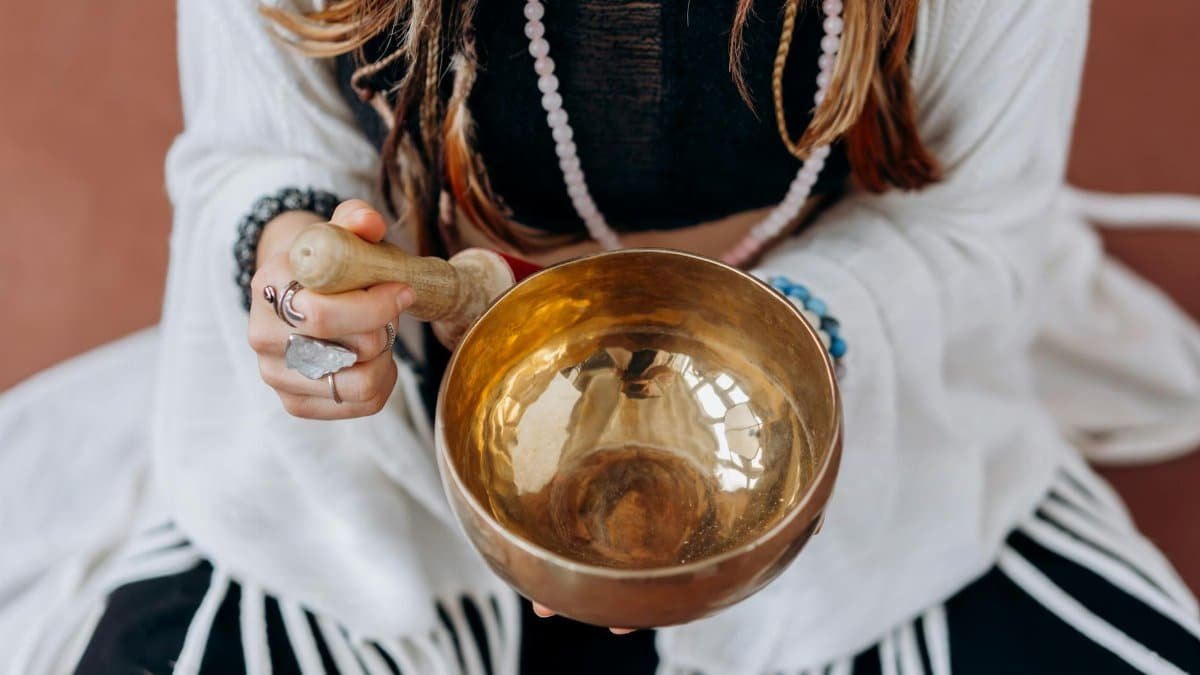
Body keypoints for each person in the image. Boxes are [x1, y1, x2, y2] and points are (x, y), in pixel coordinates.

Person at [3, 0, 1200, 672]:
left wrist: (782, 341)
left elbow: (980, 225)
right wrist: (282, 262)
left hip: (852, 394)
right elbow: (251, 151)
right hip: (390, 459)